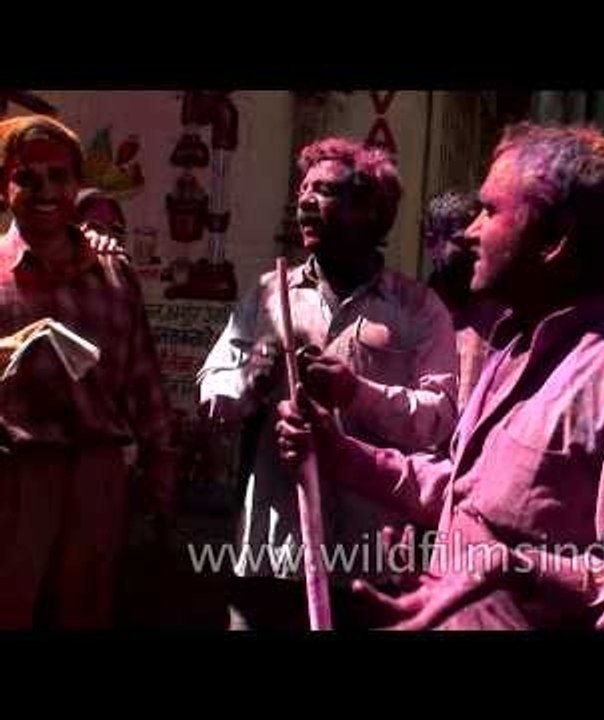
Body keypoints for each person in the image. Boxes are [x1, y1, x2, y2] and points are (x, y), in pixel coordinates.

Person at [277, 124, 604, 630]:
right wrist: (339, 454)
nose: (469, 233)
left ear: (554, 239)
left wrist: (524, 571)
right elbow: (463, 491)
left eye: (490, 212)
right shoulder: (511, 352)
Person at [198, 137, 458, 629]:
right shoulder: (269, 295)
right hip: (273, 553)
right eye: (303, 190)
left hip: (368, 561)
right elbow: (213, 395)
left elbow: (438, 419)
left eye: (326, 191)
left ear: (370, 211)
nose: (305, 201)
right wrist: (252, 377)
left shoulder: (418, 309)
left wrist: (355, 393)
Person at [0, 115, 174, 629]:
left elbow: (142, 376)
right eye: (27, 177)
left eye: (58, 177)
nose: (45, 191)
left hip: (97, 476)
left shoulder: (113, 272)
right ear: (4, 184)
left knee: (86, 613)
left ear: (77, 185)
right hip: (15, 473)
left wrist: (162, 464)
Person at [423, 190, 504, 411]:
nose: (474, 251)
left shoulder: (505, 321)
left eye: (479, 240)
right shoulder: (409, 313)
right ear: (431, 243)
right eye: (462, 242)